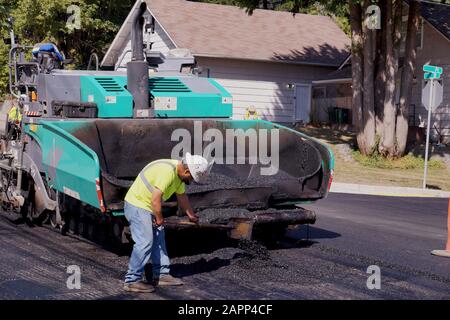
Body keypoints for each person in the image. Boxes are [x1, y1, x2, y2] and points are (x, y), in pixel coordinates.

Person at [123, 153, 213, 293]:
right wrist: (159, 218)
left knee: (158, 239)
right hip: (138, 205)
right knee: (145, 242)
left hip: (149, 206)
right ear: (187, 171)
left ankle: (161, 275)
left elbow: (182, 196)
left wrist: (191, 215)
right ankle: (132, 280)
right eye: (192, 178)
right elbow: (155, 199)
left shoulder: (179, 175)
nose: (191, 181)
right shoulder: (167, 172)